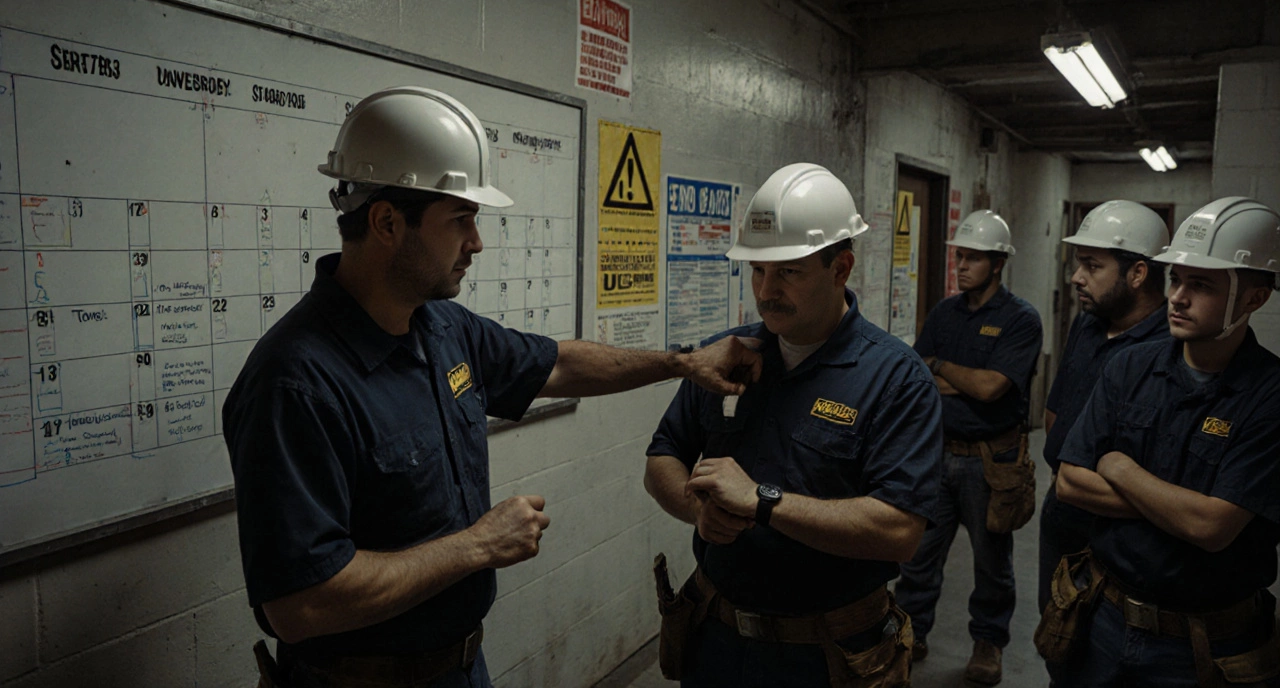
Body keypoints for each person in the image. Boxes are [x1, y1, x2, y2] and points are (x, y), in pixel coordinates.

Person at [222, 86, 763, 688]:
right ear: (386, 222)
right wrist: (477, 546)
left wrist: (682, 363)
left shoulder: (439, 325)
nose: (476, 243)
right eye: (460, 219)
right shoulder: (296, 384)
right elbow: (300, 606)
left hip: (459, 666)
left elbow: (558, 365)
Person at [643, 163, 942, 688]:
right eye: (758, 270)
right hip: (717, 639)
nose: (766, 290)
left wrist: (763, 500)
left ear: (840, 268)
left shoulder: (895, 378)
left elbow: (899, 531)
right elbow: (662, 455)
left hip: (831, 657)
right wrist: (697, 511)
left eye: (789, 272)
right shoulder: (728, 353)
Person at [1050, 197, 1280, 688]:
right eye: (1176, 279)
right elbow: (1069, 482)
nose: (1177, 297)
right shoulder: (1130, 366)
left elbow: (1212, 526)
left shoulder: (1268, 396)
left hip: (1205, 645)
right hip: (1104, 619)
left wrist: (1120, 468)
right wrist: (1176, 511)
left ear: (1255, 299)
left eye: (1201, 285)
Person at [894, 209, 1043, 686]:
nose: (961, 266)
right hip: (936, 453)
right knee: (917, 556)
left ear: (998, 264)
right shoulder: (945, 313)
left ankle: (988, 643)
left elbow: (992, 388)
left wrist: (944, 368)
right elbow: (919, 377)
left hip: (990, 461)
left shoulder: (1020, 320)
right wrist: (950, 374)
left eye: (973, 258)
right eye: (960, 256)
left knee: (991, 564)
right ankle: (910, 633)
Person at [1038, 200, 1170, 615]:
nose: (1077, 277)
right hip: (1063, 508)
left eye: (1092, 266)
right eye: (1080, 264)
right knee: (1056, 630)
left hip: (1123, 526)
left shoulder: (1170, 346)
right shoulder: (1087, 323)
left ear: (1138, 272)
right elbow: (1056, 408)